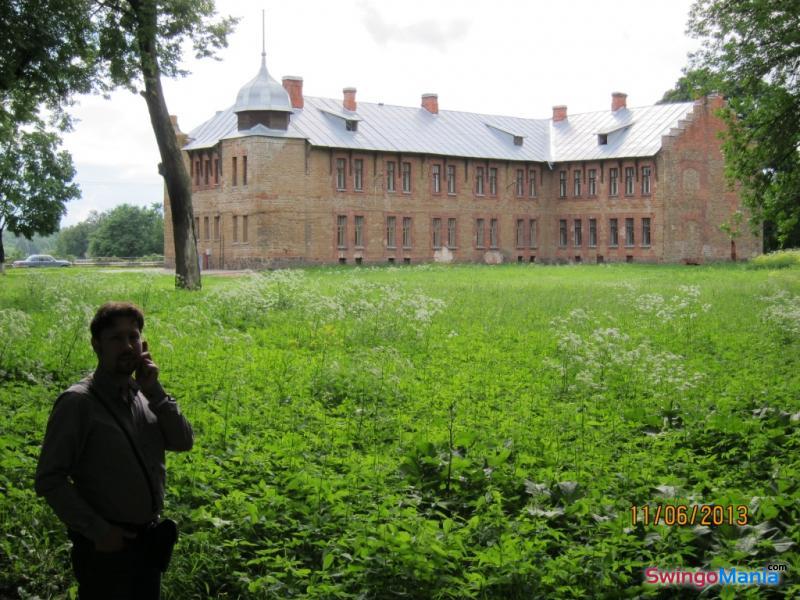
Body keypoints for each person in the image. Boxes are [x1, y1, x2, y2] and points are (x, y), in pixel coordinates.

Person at [35, 301, 194, 599]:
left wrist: (155, 391)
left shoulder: (143, 396)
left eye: (133, 337)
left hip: (148, 544)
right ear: (97, 345)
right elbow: (49, 479)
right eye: (116, 338)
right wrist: (98, 531)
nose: (127, 346)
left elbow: (183, 441)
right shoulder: (78, 403)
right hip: (106, 551)